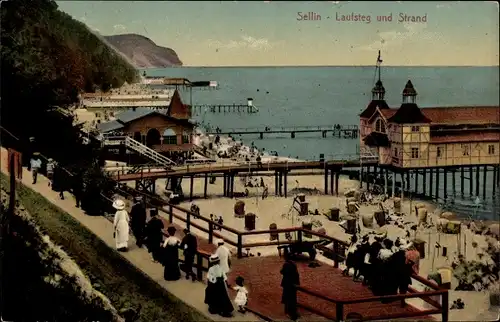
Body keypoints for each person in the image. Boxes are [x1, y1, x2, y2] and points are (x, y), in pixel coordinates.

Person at [280, 252, 300, 320]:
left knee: (287, 298)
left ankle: (289, 312)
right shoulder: (294, 264)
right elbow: (297, 274)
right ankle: (293, 312)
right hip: (293, 284)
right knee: (293, 299)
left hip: (287, 284)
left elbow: (282, 272)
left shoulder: (286, 264)